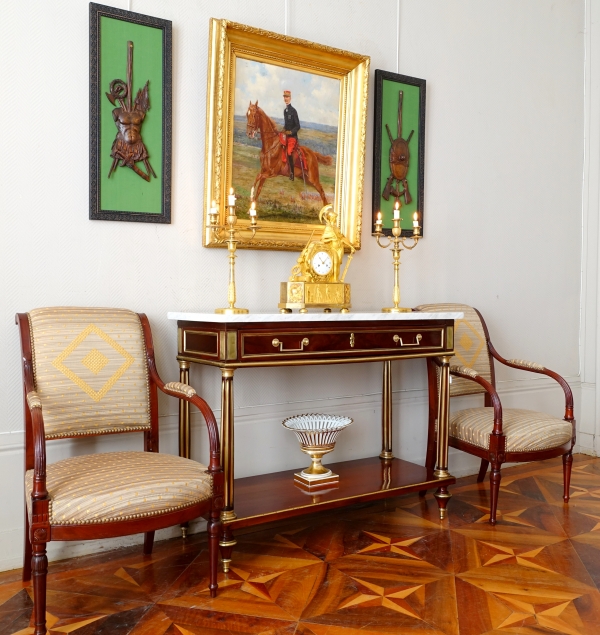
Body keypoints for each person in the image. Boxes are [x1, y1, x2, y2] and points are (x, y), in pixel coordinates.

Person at [283, 90, 301, 180]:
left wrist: (291, 132)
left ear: (290, 98)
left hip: (292, 137)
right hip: (286, 136)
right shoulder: (285, 111)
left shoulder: (293, 111)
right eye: (284, 97)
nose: (285, 98)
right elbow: (286, 124)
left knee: (289, 152)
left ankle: (292, 173)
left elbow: (298, 126)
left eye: (287, 97)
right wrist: (283, 130)